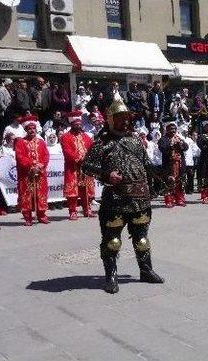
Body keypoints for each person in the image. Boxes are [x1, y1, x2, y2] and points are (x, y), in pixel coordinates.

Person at [81, 99, 164, 294]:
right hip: (116, 200)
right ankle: (111, 276)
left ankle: (146, 271)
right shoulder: (102, 143)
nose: (125, 122)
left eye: (127, 118)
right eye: (120, 118)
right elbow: (86, 166)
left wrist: (162, 175)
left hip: (140, 199)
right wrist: (106, 175)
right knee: (113, 241)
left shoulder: (135, 140)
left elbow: (146, 164)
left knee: (142, 240)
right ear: (110, 120)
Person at [14, 114, 50, 226]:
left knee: (40, 194)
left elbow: (46, 156)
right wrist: (31, 166)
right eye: (29, 129)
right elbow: (20, 157)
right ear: (26, 130)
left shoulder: (41, 142)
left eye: (33, 128)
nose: (32, 130)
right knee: (26, 195)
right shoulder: (20, 142)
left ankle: (42, 215)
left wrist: (39, 166)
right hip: (26, 174)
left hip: (40, 173)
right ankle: (27, 217)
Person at [60, 110, 96, 220]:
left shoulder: (86, 136)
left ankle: (87, 209)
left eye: (80, 124)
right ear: (71, 124)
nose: (78, 126)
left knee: (87, 189)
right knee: (73, 191)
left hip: (85, 168)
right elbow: (67, 151)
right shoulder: (65, 137)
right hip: (73, 167)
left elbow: (91, 150)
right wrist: (78, 159)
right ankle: (73, 211)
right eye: (76, 124)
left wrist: (88, 160)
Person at [158, 120, 189, 208]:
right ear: (167, 129)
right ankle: (169, 200)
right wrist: (171, 144)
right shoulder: (163, 139)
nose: (173, 130)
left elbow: (186, 147)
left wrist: (181, 143)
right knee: (169, 182)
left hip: (179, 164)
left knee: (180, 182)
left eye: (174, 129)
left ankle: (179, 199)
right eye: (171, 129)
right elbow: (162, 148)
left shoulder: (178, 137)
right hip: (169, 165)